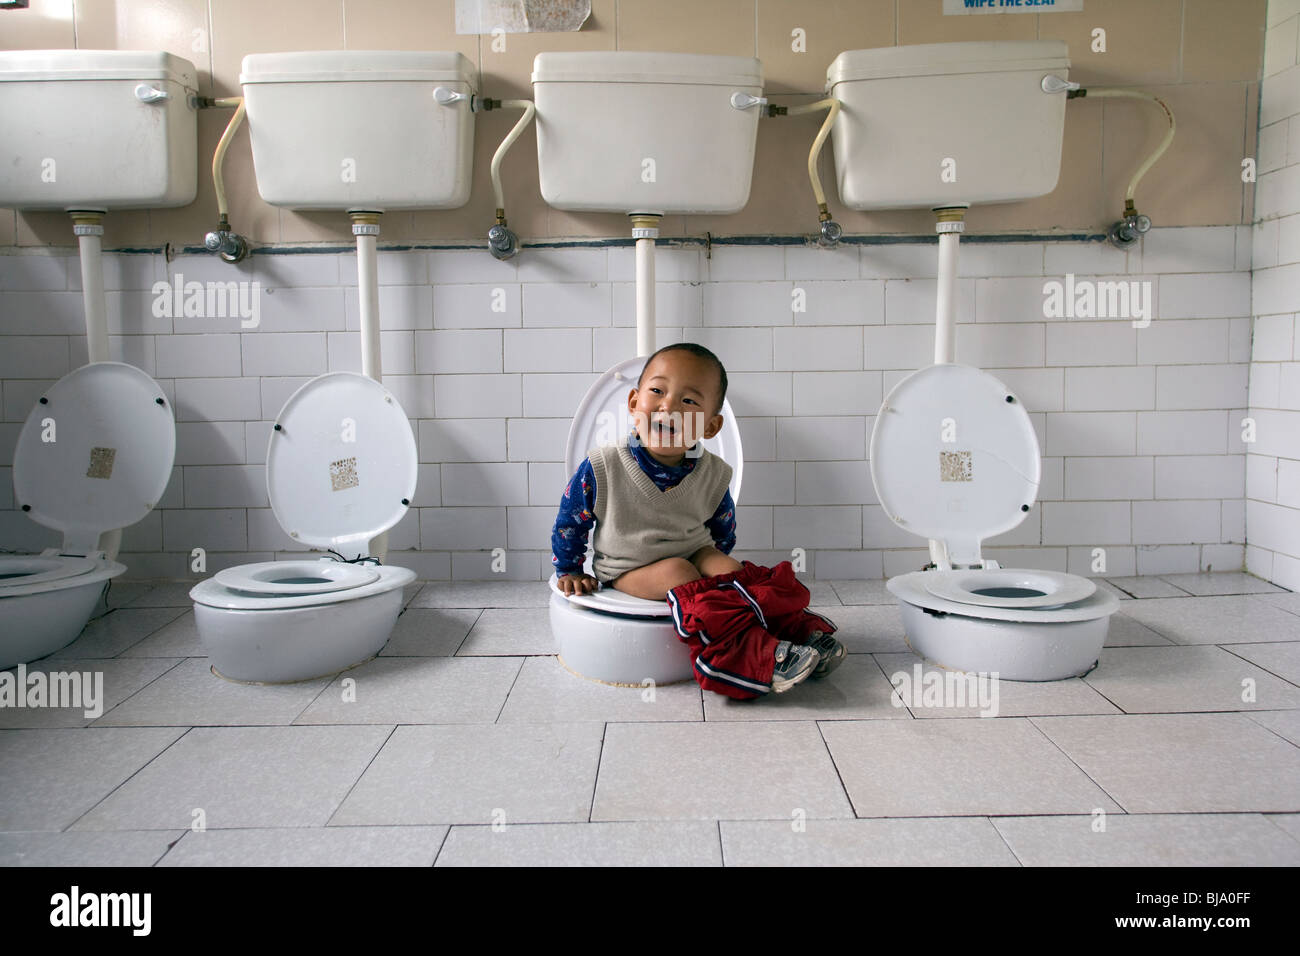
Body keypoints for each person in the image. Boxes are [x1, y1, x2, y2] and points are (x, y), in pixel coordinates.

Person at [551, 343, 844, 699]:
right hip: (628, 566)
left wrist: (715, 563)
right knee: (679, 571)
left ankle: (794, 633)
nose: (669, 406)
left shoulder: (713, 472)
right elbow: (571, 521)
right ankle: (756, 657)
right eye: (657, 391)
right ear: (633, 404)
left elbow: (723, 526)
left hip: (693, 550)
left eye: (689, 402)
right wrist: (570, 569)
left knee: (728, 567)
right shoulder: (603, 466)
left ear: (710, 426)